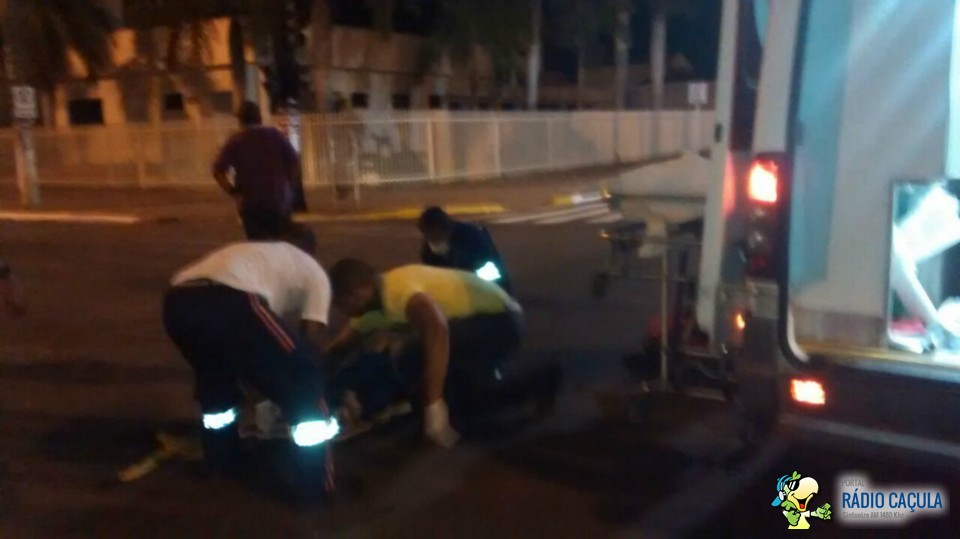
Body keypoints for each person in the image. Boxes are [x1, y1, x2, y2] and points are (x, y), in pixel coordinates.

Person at [162, 224, 336, 483]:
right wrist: (319, 384)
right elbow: (310, 339)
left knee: (217, 385)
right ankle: (315, 482)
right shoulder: (312, 270)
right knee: (304, 378)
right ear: (310, 251)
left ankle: (221, 463)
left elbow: (250, 350)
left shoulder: (254, 255)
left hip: (177, 303)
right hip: (231, 299)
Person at [327, 261, 524, 448]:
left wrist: (434, 405)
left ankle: (474, 399)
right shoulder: (372, 306)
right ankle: (457, 395)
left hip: (502, 319)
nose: (341, 312)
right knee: (397, 354)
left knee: (413, 352)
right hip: (479, 322)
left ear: (355, 294)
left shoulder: (399, 293)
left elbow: (437, 330)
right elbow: (342, 346)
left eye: (342, 305)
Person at [212, 101, 306, 240]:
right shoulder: (275, 135)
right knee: (281, 242)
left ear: (241, 120)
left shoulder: (235, 140)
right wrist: (290, 188)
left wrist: (234, 192)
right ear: (259, 118)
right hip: (278, 200)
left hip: (251, 203)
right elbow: (294, 162)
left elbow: (218, 171)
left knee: (258, 244)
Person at [418, 207, 513, 294]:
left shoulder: (473, 237)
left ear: (447, 230)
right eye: (429, 237)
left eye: (437, 236)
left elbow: (491, 274)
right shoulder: (428, 252)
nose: (434, 240)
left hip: (486, 285)